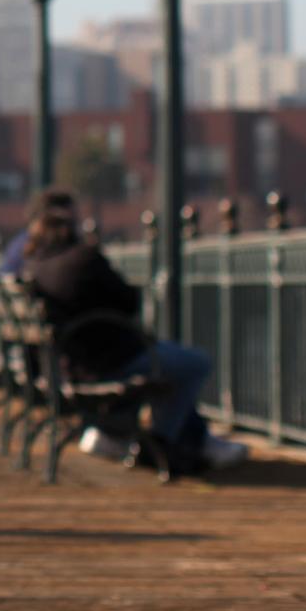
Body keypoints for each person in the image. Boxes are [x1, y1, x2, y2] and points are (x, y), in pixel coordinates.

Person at [19, 194, 246, 475]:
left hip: (68, 368)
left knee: (170, 369)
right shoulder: (83, 259)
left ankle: (167, 439)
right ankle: (160, 443)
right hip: (107, 364)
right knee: (195, 363)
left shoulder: (34, 267)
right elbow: (129, 301)